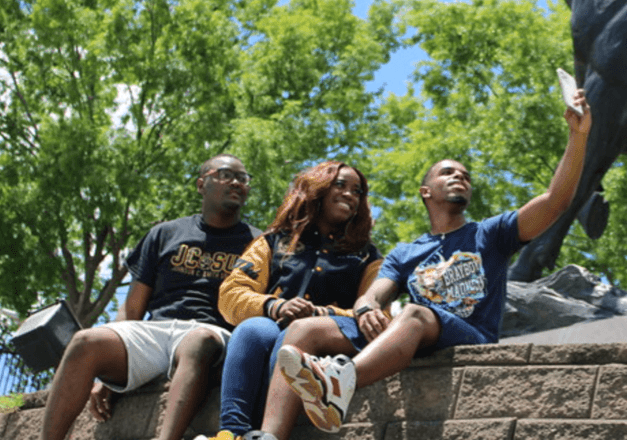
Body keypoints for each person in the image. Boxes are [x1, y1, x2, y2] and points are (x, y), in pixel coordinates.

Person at [251, 90, 591, 440]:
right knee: (304, 329)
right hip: (412, 334)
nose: (460, 177)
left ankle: (342, 382)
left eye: (465, 176)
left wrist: (578, 136)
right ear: (426, 191)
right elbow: (374, 295)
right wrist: (366, 308)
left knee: (414, 313)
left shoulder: (490, 234)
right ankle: (269, 435)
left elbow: (555, 202)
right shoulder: (404, 253)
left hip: (469, 336)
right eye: (448, 173)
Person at [40, 154, 262, 440]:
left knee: (198, 341)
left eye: (243, 178)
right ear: (201, 184)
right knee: (85, 341)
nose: (236, 182)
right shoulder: (165, 233)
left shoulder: (259, 245)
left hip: (212, 333)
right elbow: (133, 308)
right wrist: (104, 373)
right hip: (155, 330)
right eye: (225, 174)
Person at [195, 160, 383, 440]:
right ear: (316, 188)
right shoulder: (273, 242)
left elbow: (374, 313)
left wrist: (322, 313)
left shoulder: (368, 256)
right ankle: (231, 433)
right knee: (252, 329)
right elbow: (231, 294)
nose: (349, 195)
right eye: (340, 185)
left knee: (290, 340)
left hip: (325, 340)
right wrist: (276, 305)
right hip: (272, 323)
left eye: (357, 191)